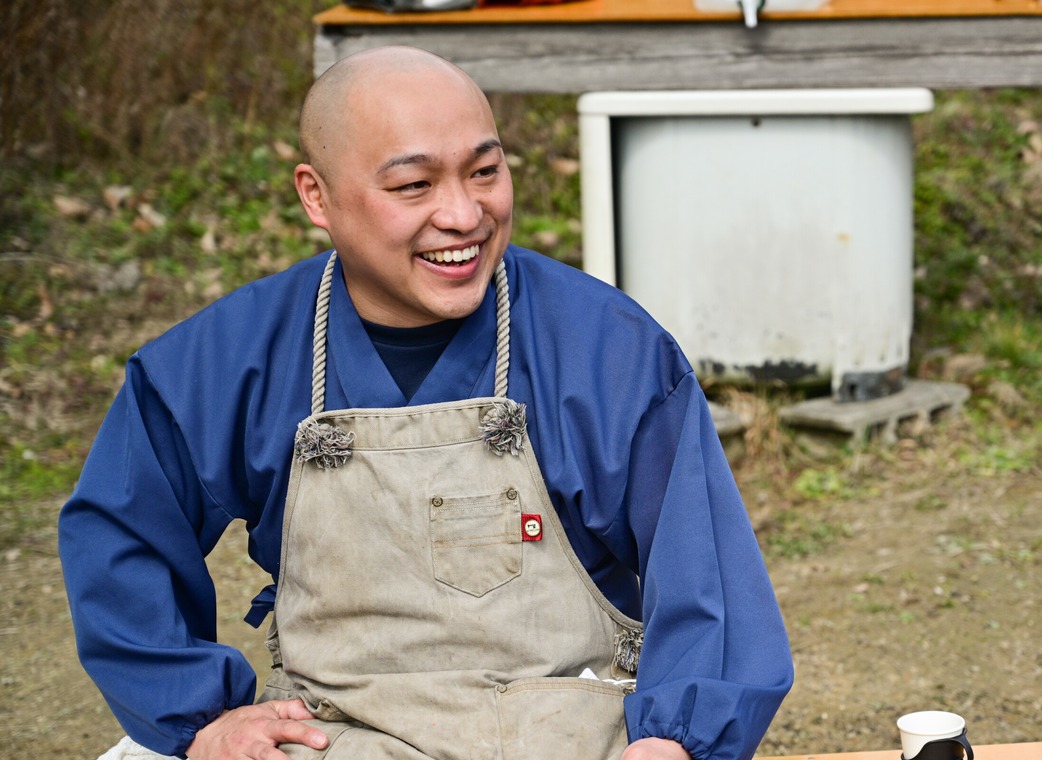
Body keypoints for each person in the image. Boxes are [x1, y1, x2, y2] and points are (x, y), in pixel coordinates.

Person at [60, 46, 793, 760]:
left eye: (485, 171)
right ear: (317, 195)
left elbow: (710, 577)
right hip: (335, 735)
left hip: (570, 733)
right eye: (413, 187)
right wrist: (202, 718)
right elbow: (121, 537)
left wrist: (675, 741)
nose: (463, 215)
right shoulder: (227, 360)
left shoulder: (610, 351)